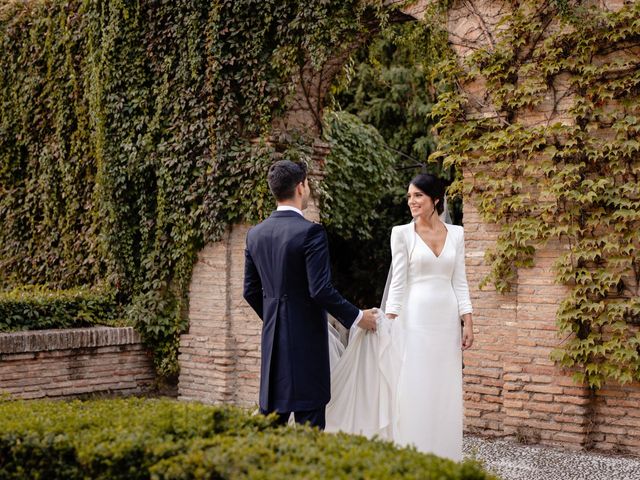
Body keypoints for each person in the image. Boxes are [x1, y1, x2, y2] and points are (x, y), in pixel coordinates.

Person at [326, 173, 474, 462]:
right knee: (414, 385)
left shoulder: (457, 234)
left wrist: (468, 320)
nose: (411, 201)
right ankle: (412, 453)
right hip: (414, 318)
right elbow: (398, 283)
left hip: (446, 322)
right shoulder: (401, 233)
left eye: (418, 195)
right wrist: (388, 322)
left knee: (444, 387)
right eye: (409, 196)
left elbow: (460, 281)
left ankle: (445, 456)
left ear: (435, 199)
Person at [243, 160, 378, 431]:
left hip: (272, 343)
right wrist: (358, 316)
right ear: (301, 186)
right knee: (310, 429)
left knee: (272, 427)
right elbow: (320, 290)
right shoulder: (311, 232)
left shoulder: (255, 234)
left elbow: (250, 291)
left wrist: (274, 318)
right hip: (306, 344)